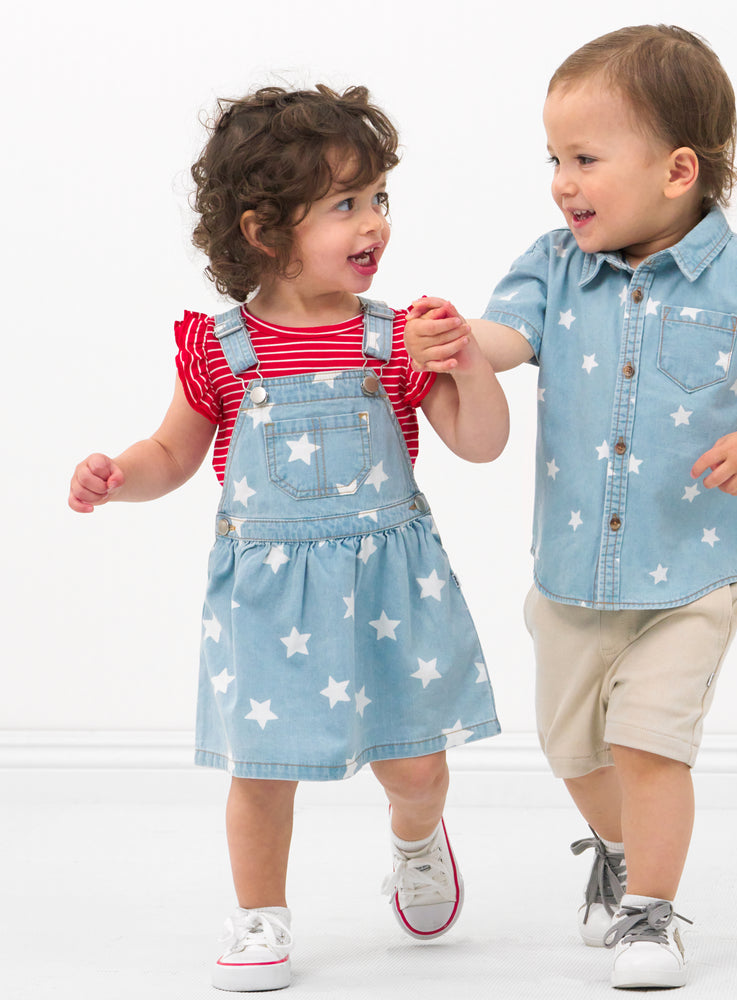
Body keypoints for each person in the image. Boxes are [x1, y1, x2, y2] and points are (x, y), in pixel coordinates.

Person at [405, 25, 737, 990]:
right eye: (554, 158)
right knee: (573, 747)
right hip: (571, 572)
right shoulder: (554, 263)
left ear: (678, 169)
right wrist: (450, 339)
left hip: (693, 568)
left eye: (586, 159)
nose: (563, 181)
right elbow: (506, 337)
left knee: (649, 743)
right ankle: (620, 852)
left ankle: (651, 912)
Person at [68, 84, 508, 993]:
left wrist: (466, 363)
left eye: (379, 198)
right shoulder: (221, 350)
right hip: (272, 601)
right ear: (265, 232)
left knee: (417, 762)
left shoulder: (394, 342)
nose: (374, 222)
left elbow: (480, 443)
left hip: (392, 584)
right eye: (345, 204)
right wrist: (120, 474)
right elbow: (171, 453)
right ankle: (260, 913)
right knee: (262, 769)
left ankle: (417, 840)